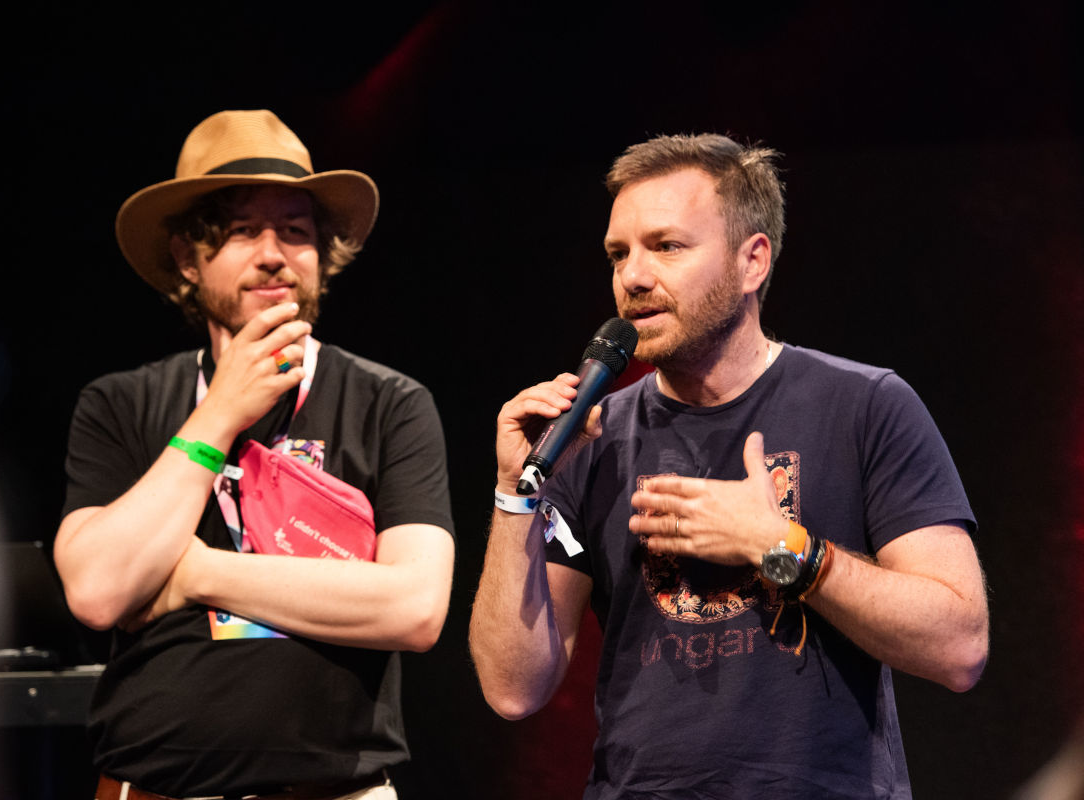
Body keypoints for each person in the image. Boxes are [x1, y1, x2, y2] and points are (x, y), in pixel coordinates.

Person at [469, 133, 988, 799]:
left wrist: (778, 548)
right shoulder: (588, 434)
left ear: (753, 261)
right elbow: (514, 689)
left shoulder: (864, 406)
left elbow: (959, 646)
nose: (632, 276)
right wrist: (516, 494)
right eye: (617, 254)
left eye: (666, 246)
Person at [54, 110, 455, 800]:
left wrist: (196, 571)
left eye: (296, 231)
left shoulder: (390, 402)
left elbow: (414, 607)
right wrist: (217, 416)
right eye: (242, 231)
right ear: (189, 258)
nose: (273, 253)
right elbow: (97, 591)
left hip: (339, 789)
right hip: (153, 787)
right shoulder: (119, 403)